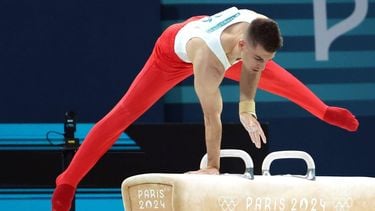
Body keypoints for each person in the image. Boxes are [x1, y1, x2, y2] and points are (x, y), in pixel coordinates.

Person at [52, 7, 359, 211]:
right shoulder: (207, 61)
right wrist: (213, 164)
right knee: (124, 112)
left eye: (267, 58)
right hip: (173, 53)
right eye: (258, 59)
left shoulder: (259, 32)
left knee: (280, 80)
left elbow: (254, 70)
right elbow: (211, 116)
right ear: (241, 46)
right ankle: (68, 180)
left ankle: (324, 111)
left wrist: (247, 107)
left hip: (213, 31)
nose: (262, 66)